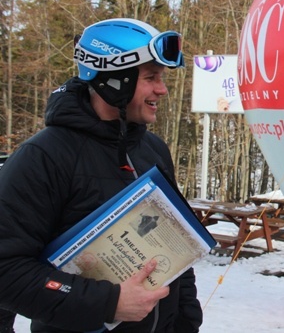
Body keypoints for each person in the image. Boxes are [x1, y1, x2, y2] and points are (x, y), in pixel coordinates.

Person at [0, 18, 202, 332]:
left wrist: (187, 322)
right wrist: (106, 303)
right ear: (115, 81)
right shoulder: (44, 157)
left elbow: (177, 248)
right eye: (150, 78)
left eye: (161, 78)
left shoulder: (153, 150)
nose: (162, 90)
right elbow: (6, 270)